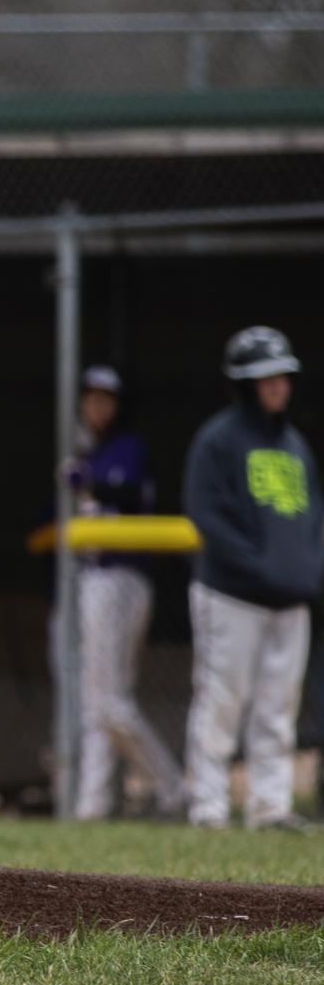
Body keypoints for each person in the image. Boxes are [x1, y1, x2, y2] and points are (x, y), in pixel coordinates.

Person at [182, 327, 324, 830]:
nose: (277, 385)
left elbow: (311, 519)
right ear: (243, 382)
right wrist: (259, 566)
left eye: (282, 375)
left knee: (278, 707)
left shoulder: (295, 445)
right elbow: (206, 515)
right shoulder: (218, 440)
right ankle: (209, 806)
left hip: (290, 601)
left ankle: (269, 806)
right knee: (222, 700)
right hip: (232, 595)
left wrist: (306, 571)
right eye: (265, 377)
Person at [63, 366, 183, 820]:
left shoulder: (128, 449)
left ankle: (172, 785)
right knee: (98, 704)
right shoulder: (84, 450)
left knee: (110, 702)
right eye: (91, 398)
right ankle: (91, 806)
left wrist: (86, 479)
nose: (98, 407)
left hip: (121, 578)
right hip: (96, 576)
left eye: (106, 399)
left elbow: (129, 492)